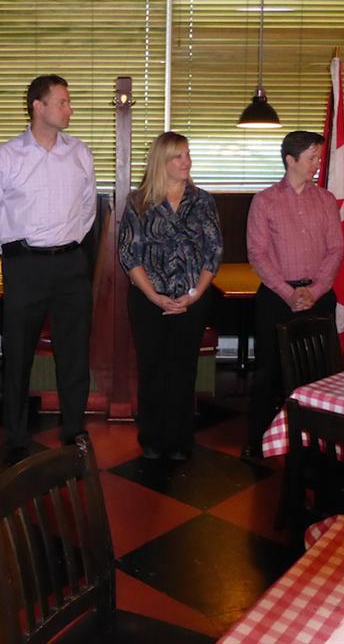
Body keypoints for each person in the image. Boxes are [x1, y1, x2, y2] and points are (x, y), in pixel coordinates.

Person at [0, 75, 96, 465]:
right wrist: (17, 254)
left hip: (71, 264)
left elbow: (87, 210)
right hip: (25, 265)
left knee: (74, 354)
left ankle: (74, 431)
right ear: (38, 107)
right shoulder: (6, 156)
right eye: (62, 102)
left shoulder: (80, 154)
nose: (69, 109)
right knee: (18, 354)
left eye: (68, 101)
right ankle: (15, 436)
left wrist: (67, 245)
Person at [118, 132, 222, 461]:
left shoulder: (202, 201)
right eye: (178, 156)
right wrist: (155, 296)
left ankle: (180, 439)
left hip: (192, 300)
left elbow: (213, 253)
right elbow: (129, 255)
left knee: (183, 369)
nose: (186, 161)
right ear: (161, 161)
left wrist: (194, 295)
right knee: (152, 369)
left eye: (187, 154)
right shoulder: (138, 202)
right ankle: (152, 438)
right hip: (149, 301)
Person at [244, 130, 343, 458]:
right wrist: (289, 293)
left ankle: (317, 445)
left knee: (318, 373)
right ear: (291, 160)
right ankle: (260, 442)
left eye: (318, 157)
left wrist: (314, 291)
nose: (317, 164)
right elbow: (258, 254)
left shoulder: (326, 200)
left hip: (319, 297)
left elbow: (335, 250)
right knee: (269, 372)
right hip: (276, 298)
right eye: (312, 158)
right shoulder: (265, 201)